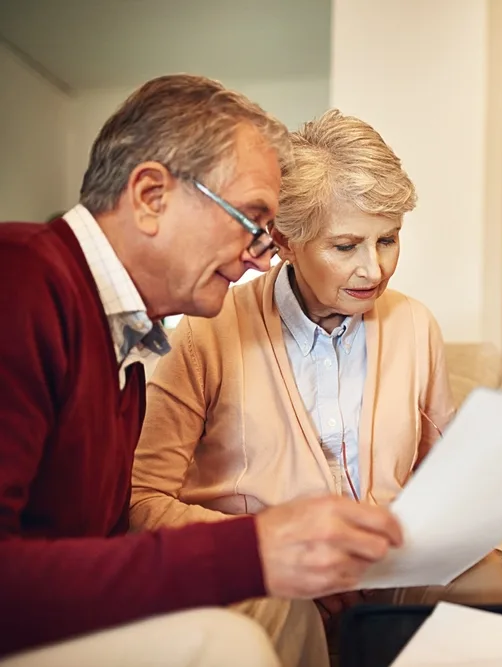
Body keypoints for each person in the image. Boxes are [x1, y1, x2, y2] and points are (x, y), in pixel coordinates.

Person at [0, 75, 402, 667]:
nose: (261, 255)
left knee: (275, 604)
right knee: (227, 642)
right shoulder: (21, 281)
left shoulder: (124, 340)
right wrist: (253, 549)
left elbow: (97, 544)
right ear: (151, 196)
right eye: (250, 218)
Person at [128, 108, 502, 633]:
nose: (374, 269)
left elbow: (438, 472)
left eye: (388, 239)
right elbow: (142, 498)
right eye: (345, 246)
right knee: (287, 620)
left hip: (391, 560)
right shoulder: (207, 331)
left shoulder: (415, 325)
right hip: (269, 563)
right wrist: (272, 549)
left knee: (486, 587)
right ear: (286, 243)